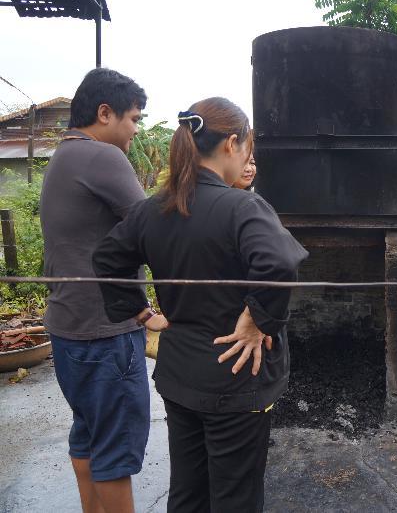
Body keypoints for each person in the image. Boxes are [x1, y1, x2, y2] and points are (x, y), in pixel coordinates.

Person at [92, 97, 308, 512]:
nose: (248, 156)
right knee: (236, 497)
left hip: (180, 374)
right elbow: (280, 261)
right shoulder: (243, 206)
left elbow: (106, 258)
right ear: (232, 144)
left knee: (188, 493)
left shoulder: (154, 209)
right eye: (248, 147)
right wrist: (255, 321)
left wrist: (140, 311)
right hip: (237, 375)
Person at [40, 68, 168, 513]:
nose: (136, 129)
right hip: (106, 330)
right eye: (133, 118)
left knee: (89, 437)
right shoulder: (101, 157)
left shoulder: (64, 155)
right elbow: (155, 229)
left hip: (68, 326)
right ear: (104, 112)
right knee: (114, 453)